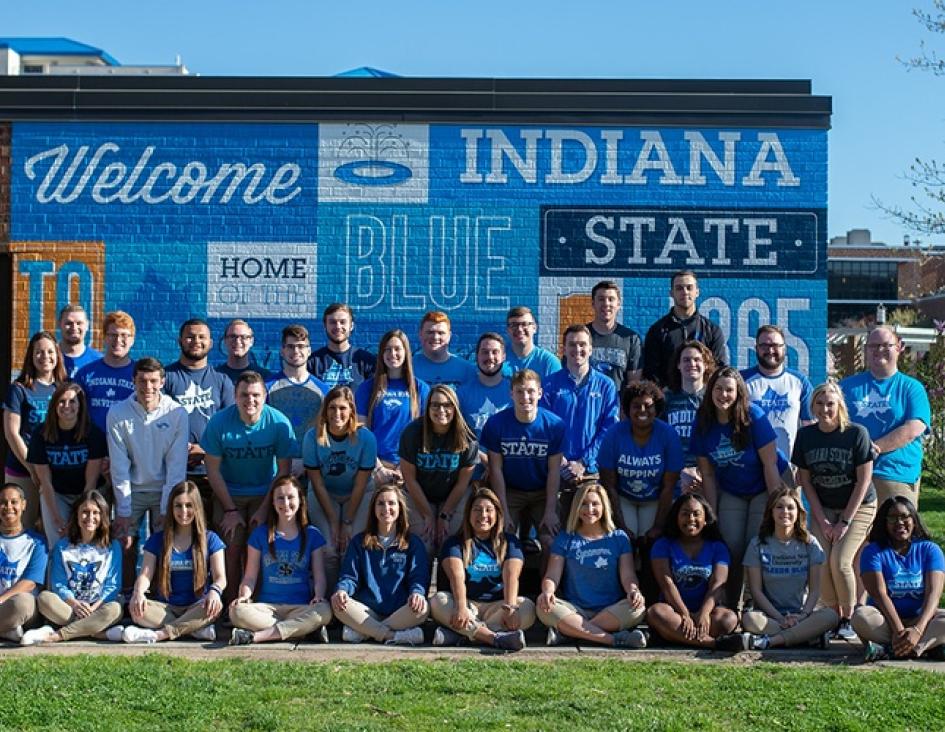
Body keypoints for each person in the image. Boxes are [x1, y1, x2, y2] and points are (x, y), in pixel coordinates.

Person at [202, 371, 296, 605]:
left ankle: (262, 603)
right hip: (229, 493)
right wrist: (230, 511)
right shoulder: (219, 423)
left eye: (255, 395)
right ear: (235, 396)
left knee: (262, 548)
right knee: (231, 548)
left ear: (265, 396)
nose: (250, 400)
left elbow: (284, 472)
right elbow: (212, 470)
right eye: (244, 395)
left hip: (265, 493)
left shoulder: (279, 422)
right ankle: (229, 605)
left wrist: (265, 509)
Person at [692, 366, 783, 608]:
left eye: (729, 390)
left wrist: (775, 505)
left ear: (739, 392)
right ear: (710, 390)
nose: (723, 395)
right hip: (732, 489)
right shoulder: (703, 422)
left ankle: (759, 604)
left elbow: (770, 465)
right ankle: (731, 606)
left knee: (756, 542)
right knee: (730, 545)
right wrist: (710, 515)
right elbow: (708, 475)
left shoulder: (754, 416)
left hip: (766, 484)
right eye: (719, 389)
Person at [793, 381, 876, 641]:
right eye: (819, 403)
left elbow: (864, 481)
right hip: (824, 507)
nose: (825, 409)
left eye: (830, 403)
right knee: (821, 559)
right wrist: (823, 521)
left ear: (840, 404)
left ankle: (848, 618)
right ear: (812, 406)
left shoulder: (856, 433)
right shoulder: (806, 436)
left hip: (858, 506)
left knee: (840, 562)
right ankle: (831, 615)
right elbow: (805, 481)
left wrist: (844, 522)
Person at [106, 357, 189, 589]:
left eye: (153, 381)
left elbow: (176, 465)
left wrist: (166, 507)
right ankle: (126, 595)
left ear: (162, 382)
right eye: (142, 380)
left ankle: (161, 594)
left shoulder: (177, 413)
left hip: (165, 488)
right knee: (125, 541)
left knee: (165, 543)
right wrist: (122, 510)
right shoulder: (117, 413)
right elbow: (119, 465)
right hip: (132, 489)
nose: (148, 387)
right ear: (133, 381)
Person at [537, 482, 647, 648]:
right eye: (584, 504)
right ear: (576, 507)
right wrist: (548, 591)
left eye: (595, 504)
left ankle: (570, 633)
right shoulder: (566, 538)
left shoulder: (618, 538)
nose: (589, 510)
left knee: (638, 608)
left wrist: (633, 591)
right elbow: (552, 575)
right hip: (575, 609)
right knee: (542, 605)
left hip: (610, 610)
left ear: (604, 506)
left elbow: (628, 575)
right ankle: (613, 639)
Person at [229, 476, 332, 645]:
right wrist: (244, 596)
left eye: (290, 497)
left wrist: (319, 596)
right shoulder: (260, 535)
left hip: (300, 607)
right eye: (280, 498)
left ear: (300, 499)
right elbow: (250, 577)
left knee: (324, 611)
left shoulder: (313, 535)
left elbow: (319, 576)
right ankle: (303, 631)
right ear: (272, 502)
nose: (286, 503)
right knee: (236, 612)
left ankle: (256, 637)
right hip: (267, 609)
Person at [430, 487, 535, 650]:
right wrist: (461, 607)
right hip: (468, 604)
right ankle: (494, 637)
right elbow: (456, 577)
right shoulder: (454, 543)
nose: (483, 515)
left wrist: (510, 607)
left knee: (527, 607)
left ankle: (464, 635)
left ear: (498, 514)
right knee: (438, 601)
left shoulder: (510, 542)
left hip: (498, 607)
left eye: (489, 510)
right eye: (477, 510)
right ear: (468, 514)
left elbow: (511, 577)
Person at [122, 480, 226, 643]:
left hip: (197, 606)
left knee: (212, 608)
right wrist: (138, 593)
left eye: (188, 505)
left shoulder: (211, 539)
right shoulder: (157, 539)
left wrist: (214, 591)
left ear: (197, 507)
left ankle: (159, 634)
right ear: (171, 508)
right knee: (137, 611)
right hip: (166, 609)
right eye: (178, 505)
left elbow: (221, 577)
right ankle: (192, 630)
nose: (183, 511)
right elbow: (145, 575)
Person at [841, 325, 931, 505]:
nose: (879, 350)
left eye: (886, 345)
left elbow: (913, 429)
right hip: (852, 476)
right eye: (873, 346)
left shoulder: (911, 388)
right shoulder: (846, 387)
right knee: (853, 532)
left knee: (895, 530)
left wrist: (872, 449)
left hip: (894, 474)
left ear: (899, 347)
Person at [480, 369, 565, 560]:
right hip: (510, 490)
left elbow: (554, 471)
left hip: (542, 491)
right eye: (519, 391)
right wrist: (502, 510)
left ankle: (547, 588)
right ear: (511, 394)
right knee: (501, 537)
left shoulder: (554, 425)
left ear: (540, 393)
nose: (525, 397)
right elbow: (496, 469)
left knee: (550, 541)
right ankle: (501, 588)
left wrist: (551, 510)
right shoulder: (496, 423)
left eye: (530, 391)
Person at [331, 484, 429, 645]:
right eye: (381, 503)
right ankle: (394, 636)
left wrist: (417, 593)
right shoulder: (359, 542)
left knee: (423, 608)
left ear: (400, 508)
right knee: (338, 605)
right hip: (367, 610)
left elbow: (418, 577)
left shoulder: (413, 543)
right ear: (373, 509)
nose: (386, 508)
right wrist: (342, 590)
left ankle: (363, 632)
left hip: (400, 611)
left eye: (392, 503)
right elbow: (349, 577)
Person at [21, 489, 122, 645]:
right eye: (85, 512)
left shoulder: (112, 546)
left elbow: (113, 585)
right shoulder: (62, 546)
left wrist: (94, 608)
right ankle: (96, 632)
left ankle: (58, 634)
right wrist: (75, 604)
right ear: (76, 515)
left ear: (103, 516)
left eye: (96, 513)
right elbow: (58, 584)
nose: (90, 517)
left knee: (115, 609)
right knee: (44, 598)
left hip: (99, 606)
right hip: (69, 608)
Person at [741, 487, 838, 649]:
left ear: (799, 512)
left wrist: (802, 616)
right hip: (770, 616)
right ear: (771, 512)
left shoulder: (810, 543)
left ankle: (772, 640)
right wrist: (779, 618)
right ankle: (806, 637)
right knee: (749, 620)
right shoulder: (757, 544)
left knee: (831, 616)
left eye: (790, 507)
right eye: (779, 507)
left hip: (802, 615)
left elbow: (815, 591)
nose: (785, 512)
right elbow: (756, 591)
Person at [646, 494, 744, 650]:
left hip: (706, 613)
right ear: (676, 518)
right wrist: (684, 614)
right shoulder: (663, 545)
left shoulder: (718, 547)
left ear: (706, 519)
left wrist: (703, 613)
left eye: (696, 514)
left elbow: (718, 583)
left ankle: (673, 636)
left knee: (729, 619)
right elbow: (666, 584)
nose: (691, 519)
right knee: (655, 612)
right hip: (675, 612)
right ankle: (712, 643)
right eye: (685, 514)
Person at [303, 386, 377, 590]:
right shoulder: (313, 437)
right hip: (325, 494)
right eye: (332, 408)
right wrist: (334, 520)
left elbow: (361, 483)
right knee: (329, 548)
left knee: (352, 543)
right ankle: (328, 599)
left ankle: (352, 595)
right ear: (325, 410)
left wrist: (347, 521)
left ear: (352, 411)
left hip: (359, 493)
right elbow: (316, 482)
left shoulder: (366, 438)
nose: (337, 414)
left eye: (343, 408)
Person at [854, 496, 945, 662]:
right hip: (885, 620)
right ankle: (927, 647)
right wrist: (899, 630)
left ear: (914, 520)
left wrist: (917, 629)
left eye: (905, 517)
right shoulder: (872, 552)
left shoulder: (930, 549)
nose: (900, 522)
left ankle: (888, 651)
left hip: (921, 620)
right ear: (884, 522)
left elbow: (933, 594)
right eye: (892, 518)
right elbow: (879, 595)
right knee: (861, 617)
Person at [541, 325, 619, 499]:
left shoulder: (606, 385)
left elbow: (608, 430)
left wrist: (584, 462)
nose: (578, 349)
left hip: (592, 473)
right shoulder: (548, 385)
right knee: (557, 525)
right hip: (556, 472)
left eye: (583, 345)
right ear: (563, 349)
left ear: (590, 349)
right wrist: (562, 463)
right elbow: (543, 427)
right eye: (572, 344)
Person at [399, 385, 479, 554]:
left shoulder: (468, 437)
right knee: (425, 542)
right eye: (435, 405)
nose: (441, 410)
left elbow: (462, 484)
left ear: (455, 407)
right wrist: (427, 515)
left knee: (447, 541)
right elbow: (409, 479)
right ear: (427, 407)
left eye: (447, 405)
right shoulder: (412, 432)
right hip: (419, 494)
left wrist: (444, 515)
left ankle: (449, 580)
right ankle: (419, 580)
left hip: (452, 496)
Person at [599, 380, 682, 540]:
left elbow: (669, 487)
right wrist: (621, 525)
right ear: (627, 409)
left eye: (648, 405)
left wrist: (658, 526)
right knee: (625, 538)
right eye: (636, 406)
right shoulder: (613, 434)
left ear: (656, 408)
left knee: (649, 538)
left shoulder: (668, 434)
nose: (642, 410)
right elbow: (609, 485)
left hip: (655, 498)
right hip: (623, 497)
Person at [27, 382, 106, 549]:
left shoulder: (93, 433)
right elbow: (45, 482)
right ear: (54, 405)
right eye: (61, 401)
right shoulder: (40, 434)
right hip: (57, 494)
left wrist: (76, 519)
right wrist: (57, 518)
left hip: (86, 493)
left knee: (87, 540)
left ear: (80, 405)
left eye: (72, 401)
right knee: (58, 543)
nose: (66, 406)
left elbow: (90, 483)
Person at [164, 318, 235, 497]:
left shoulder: (222, 380)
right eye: (190, 337)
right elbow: (158, 423)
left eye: (202, 337)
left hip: (213, 473)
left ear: (210, 343)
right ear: (179, 341)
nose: (196, 341)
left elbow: (232, 426)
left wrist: (205, 449)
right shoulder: (166, 378)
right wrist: (181, 448)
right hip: (175, 473)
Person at [3, 330, 66, 530]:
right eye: (39, 352)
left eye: (49, 352)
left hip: (55, 470)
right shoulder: (19, 389)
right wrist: (32, 468)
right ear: (31, 356)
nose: (45, 357)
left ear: (57, 355)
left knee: (53, 529)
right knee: (22, 527)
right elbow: (12, 432)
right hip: (22, 470)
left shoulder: (63, 389)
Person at [355, 329, 430, 481]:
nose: (392, 354)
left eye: (397, 349)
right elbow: (361, 432)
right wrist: (378, 468)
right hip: (375, 468)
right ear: (381, 354)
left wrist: (406, 468)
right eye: (387, 349)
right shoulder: (367, 388)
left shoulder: (420, 388)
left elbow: (425, 434)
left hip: (409, 467)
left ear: (406, 352)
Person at [741, 324, 814, 469]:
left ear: (784, 348)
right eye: (764, 346)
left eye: (775, 345)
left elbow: (810, 427)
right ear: (756, 348)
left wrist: (805, 466)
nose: (770, 350)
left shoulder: (800, 382)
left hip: (789, 467)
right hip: (750, 468)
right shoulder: (741, 381)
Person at [643, 270, 728, 387]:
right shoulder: (657, 331)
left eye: (689, 287)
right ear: (671, 293)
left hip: (704, 400)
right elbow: (651, 372)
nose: (685, 292)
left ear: (697, 292)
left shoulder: (712, 330)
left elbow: (719, 368)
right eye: (679, 288)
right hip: (669, 401)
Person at [265, 324, 330, 472]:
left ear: (309, 350)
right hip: (275, 469)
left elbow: (325, 431)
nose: (296, 351)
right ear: (282, 350)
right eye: (290, 346)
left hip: (313, 468)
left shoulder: (322, 390)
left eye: (301, 346)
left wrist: (307, 462)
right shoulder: (267, 388)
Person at [662, 340, 716, 494]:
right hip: (673, 476)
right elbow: (659, 441)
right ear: (678, 365)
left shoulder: (713, 398)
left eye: (697, 360)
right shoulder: (666, 398)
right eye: (686, 360)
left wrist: (700, 473)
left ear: (706, 365)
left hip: (706, 477)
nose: (692, 364)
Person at [0, 483, 48, 642]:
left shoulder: (37, 542)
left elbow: (29, 583)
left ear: (23, 505)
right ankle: (6, 630)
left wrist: (1, 600)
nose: (8, 507)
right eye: (3, 502)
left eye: (13, 502)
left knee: (23, 602)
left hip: (18, 607)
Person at [74, 310, 136, 433]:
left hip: (129, 444)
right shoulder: (85, 374)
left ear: (132, 340)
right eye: (113, 335)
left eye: (124, 335)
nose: (118, 340)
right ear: (104, 338)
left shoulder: (140, 375)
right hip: (93, 444)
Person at [586, 280, 642, 391]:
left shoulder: (631, 339)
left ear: (618, 304)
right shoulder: (581, 336)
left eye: (611, 299)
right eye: (601, 299)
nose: (606, 304)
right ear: (593, 303)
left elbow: (634, 383)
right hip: (586, 405)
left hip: (617, 406)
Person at [308, 303, 375, 390]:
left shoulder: (367, 361)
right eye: (332, 322)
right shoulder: (312, 362)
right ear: (325, 326)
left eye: (343, 322)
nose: (338, 326)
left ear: (351, 326)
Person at [411, 311, 475, 389]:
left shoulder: (467, 370)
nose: (435, 337)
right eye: (430, 332)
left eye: (441, 333)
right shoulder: (408, 367)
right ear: (420, 334)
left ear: (449, 336)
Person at [504, 306, 562, 380]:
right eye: (514, 325)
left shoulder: (549, 362)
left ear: (534, 328)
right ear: (507, 330)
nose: (519, 329)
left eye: (525, 324)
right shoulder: (498, 359)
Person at [215, 319, 270, 384]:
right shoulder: (214, 376)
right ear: (225, 341)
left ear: (251, 341)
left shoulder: (265, 377)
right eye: (233, 336)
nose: (237, 341)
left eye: (243, 337)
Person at [57, 304, 101, 378]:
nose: (74, 327)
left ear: (87, 325)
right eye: (68, 323)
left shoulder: (98, 361)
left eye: (79, 323)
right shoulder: (48, 359)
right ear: (59, 324)